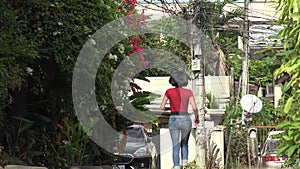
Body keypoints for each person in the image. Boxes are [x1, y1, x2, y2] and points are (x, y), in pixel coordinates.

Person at [160, 71, 199, 169]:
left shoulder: (169, 92)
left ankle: (176, 167)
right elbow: (194, 107)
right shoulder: (189, 92)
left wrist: (171, 108)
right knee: (184, 144)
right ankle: (184, 165)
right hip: (186, 118)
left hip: (174, 118)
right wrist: (197, 117)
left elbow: (161, 107)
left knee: (175, 145)